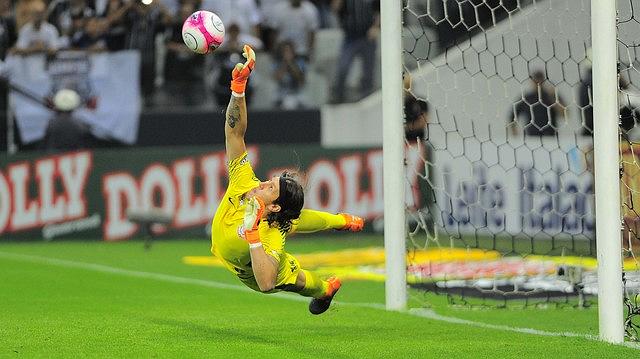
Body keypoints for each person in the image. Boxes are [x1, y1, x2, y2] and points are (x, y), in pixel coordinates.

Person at [210, 44, 364, 315]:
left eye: (270, 188)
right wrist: (238, 88)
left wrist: (254, 233)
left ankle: (326, 290)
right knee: (300, 221)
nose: (262, 184)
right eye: (269, 181)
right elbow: (235, 134)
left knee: (298, 281)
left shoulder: (272, 235)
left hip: (254, 271)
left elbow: (267, 283)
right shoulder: (244, 181)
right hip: (253, 237)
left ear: (275, 207)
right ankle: (340, 228)